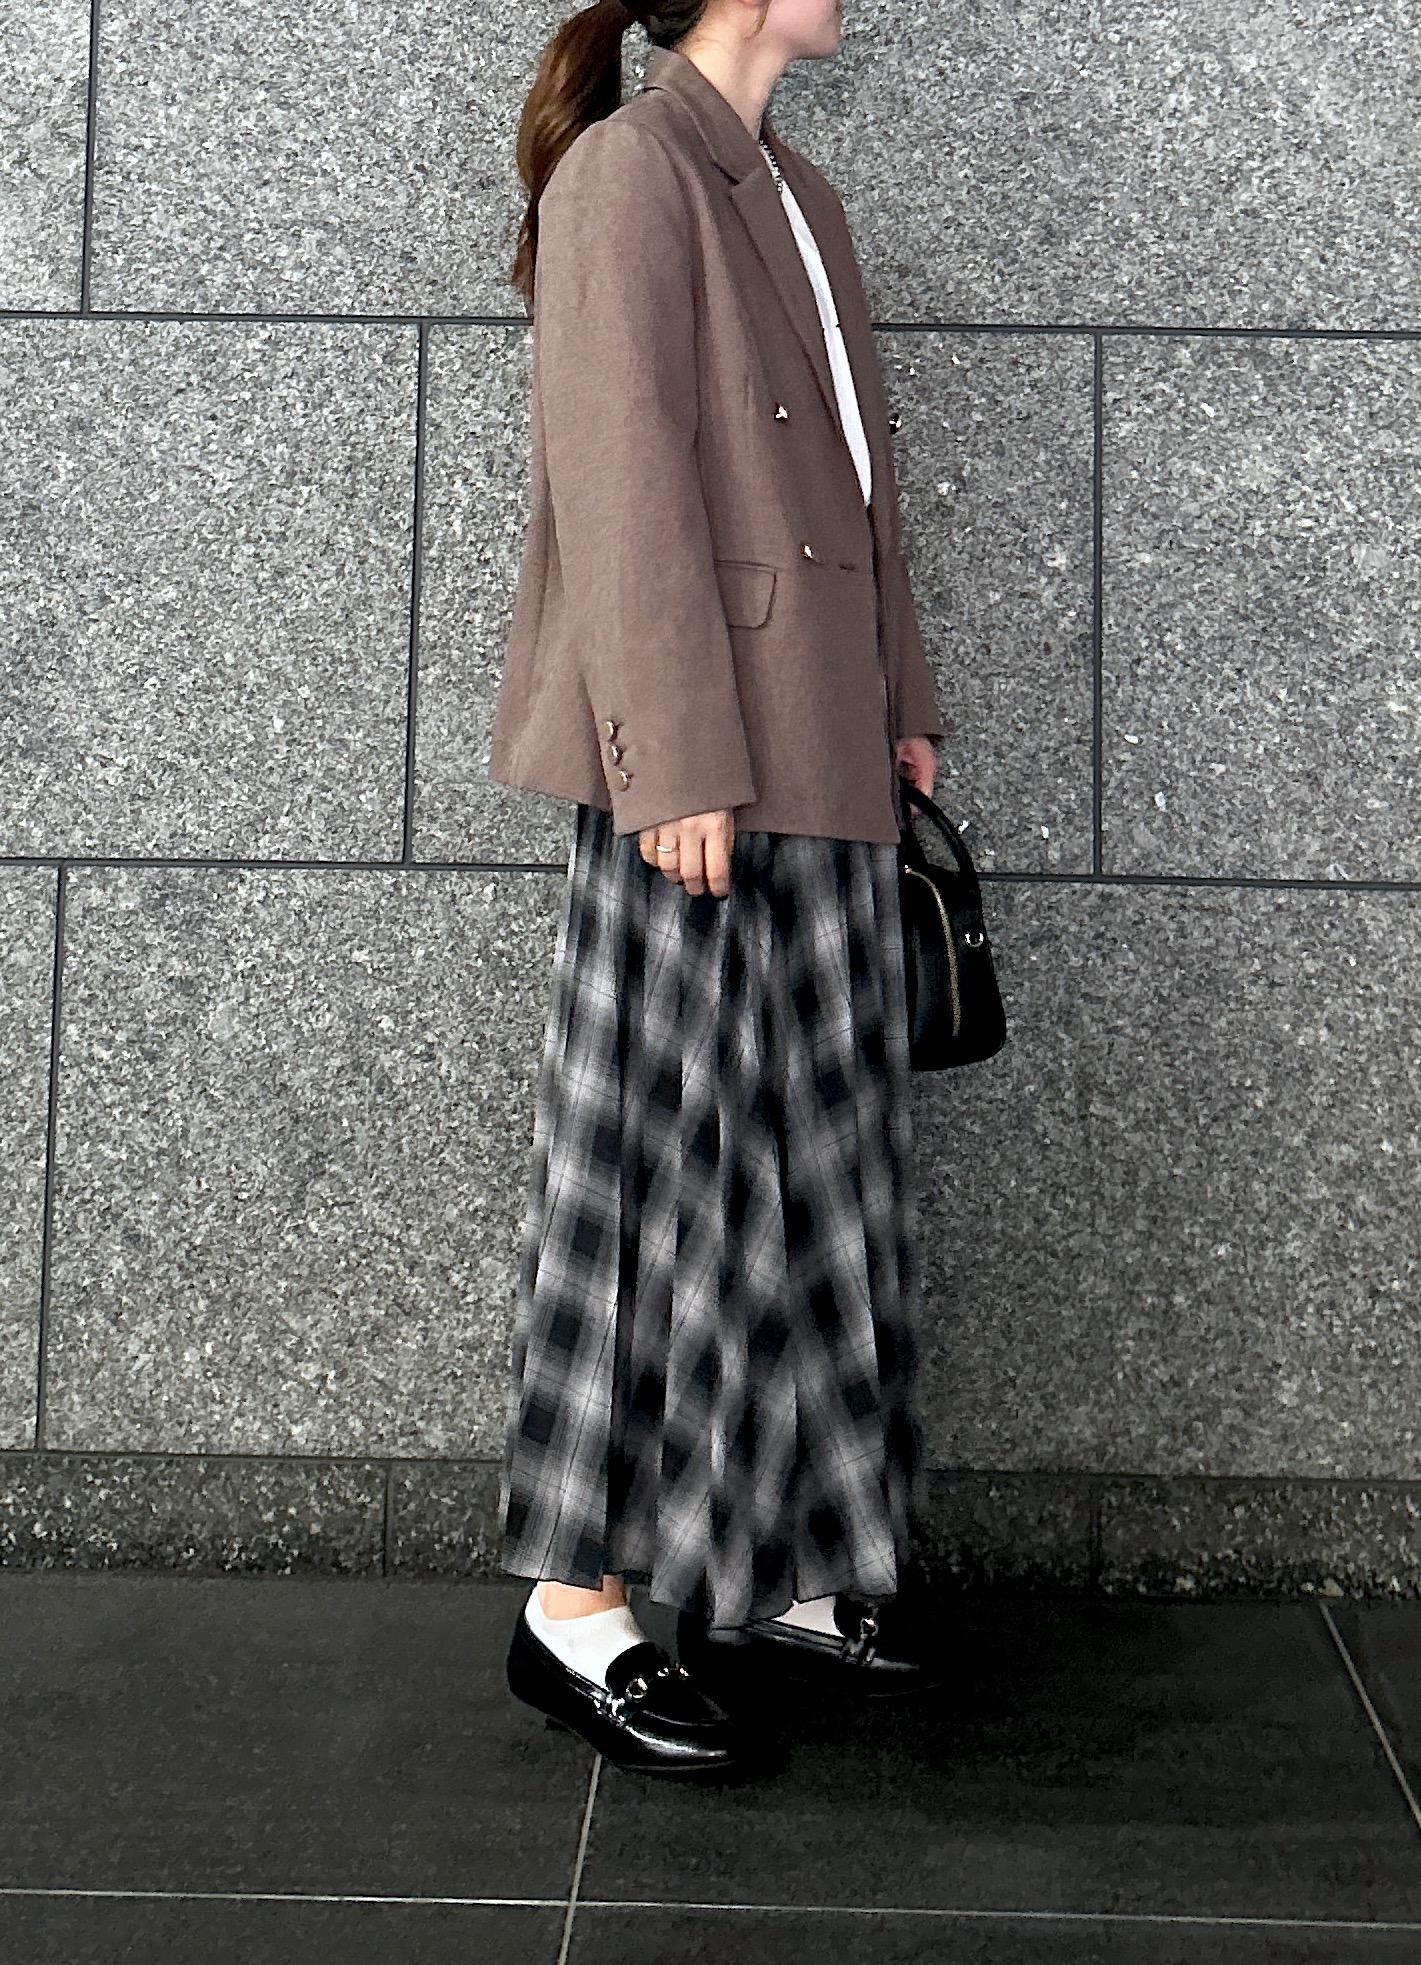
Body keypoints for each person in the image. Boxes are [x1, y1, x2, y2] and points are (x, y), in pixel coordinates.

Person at [489, 0, 951, 1779]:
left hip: (822, 746)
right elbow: (617, 483)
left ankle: (782, 1565)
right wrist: (669, 759)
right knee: (649, 1171)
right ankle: (575, 1605)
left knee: (812, 1167)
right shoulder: (628, 175)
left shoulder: (797, 190)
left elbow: (860, 478)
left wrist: (903, 695)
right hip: (702, 770)